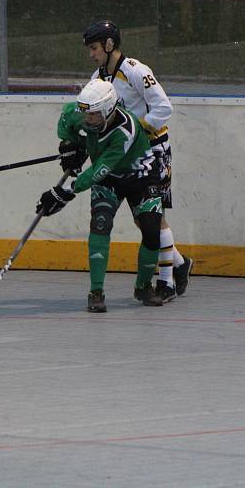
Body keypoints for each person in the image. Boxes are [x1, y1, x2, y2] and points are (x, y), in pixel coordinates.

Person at [79, 20, 193, 303]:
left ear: (108, 45)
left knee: (156, 219)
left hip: (153, 150)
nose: (91, 54)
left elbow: (164, 107)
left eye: (94, 48)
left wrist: (134, 133)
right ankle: (179, 264)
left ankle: (166, 282)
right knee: (143, 222)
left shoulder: (135, 71)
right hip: (127, 154)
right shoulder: (99, 78)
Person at [37, 79, 165, 312]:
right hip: (107, 179)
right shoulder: (82, 111)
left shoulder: (126, 129)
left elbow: (100, 169)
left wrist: (67, 191)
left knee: (152, 232)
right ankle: (96, 291)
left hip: (140, 176)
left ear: (108, 110)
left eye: (93, 116)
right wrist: (69, 145)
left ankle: (144, 286)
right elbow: (67, 120)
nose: (87, 119)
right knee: (100, 224)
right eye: (85, 114)